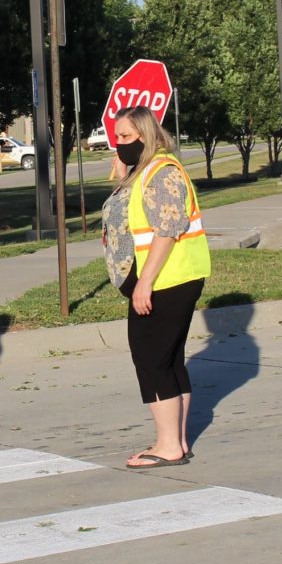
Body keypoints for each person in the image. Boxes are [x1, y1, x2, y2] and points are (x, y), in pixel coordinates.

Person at [101, 106, 211, 470]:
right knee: (169, 360)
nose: (119, 143)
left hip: (165, 280)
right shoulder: (145, 171)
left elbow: (167, 230)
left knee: (151, 361)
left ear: (146, 136)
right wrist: (124, 175)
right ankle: (175, 440)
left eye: (126, 137)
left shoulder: (162, 172)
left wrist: (144, 283)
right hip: (168, 279)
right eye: (117, 137)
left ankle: (168, 446)